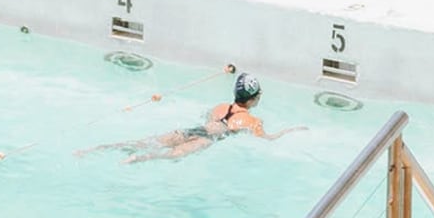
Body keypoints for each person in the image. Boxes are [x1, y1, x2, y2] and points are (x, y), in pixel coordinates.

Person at [87, 75, 297, 163]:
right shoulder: (252, 121)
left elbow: (206, 119)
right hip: (208, 139)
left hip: (194, 130)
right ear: (253, 99)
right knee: (171, 155)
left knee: (145, 142)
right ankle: (138, 159)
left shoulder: (220, 107)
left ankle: (97, 149)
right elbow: (266, 139)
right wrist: (286, 132)